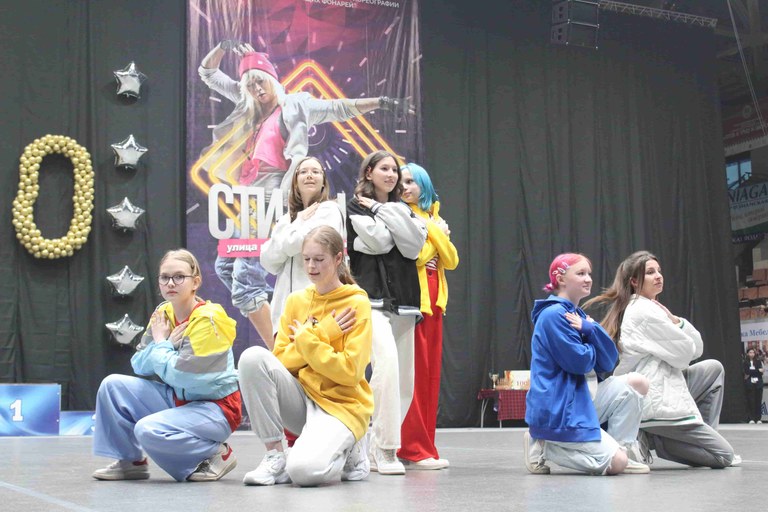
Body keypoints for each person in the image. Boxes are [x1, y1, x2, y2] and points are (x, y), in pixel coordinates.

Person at [198, 41, 411, 346]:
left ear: (272, 78)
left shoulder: (296, 105)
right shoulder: (249, 105)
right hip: (249, 192)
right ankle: (286, 324)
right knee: (226, 267)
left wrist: (382, 102)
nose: (257, 89)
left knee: (245, 281)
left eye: (260, 81)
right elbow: (208, 73)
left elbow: (339, 108)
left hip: (272, 191)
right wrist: (222, 47)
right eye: (250, 85)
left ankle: (279, 348)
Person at [237, 226, 373, 487]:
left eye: (319, 259)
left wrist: (306, 339)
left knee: (303, 473)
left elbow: (350, 372)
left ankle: (352, 444)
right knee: (252, 358)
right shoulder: (295, 301)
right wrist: (323, 333)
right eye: (306, 259)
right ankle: (276, 455)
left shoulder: (356, 303)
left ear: (338, 258)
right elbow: (280, 362)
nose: (311, 266)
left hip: (341, 405)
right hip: (300, 397)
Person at [92, 249, 241, 482]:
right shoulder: (163, 313)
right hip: (178, 400)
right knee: (112, 386)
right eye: (165, 277)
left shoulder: (209, 319)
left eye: (179, 277)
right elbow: (139, 364)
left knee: (147, 429)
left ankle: (214, 453)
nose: (170, 283)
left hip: (216, 408)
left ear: (195, 282)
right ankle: (130, 462)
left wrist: (161, 344)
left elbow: (182, 376)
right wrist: (167, 343)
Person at [586, 250, 736, 468]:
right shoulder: (642, 310)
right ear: (635, 281)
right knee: (724, 456)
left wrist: (676, 321)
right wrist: (676, 329)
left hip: (665, 382)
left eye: (659, 271)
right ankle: (658, 440)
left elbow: (697, 349)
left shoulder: (650, 308)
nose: (658, 276)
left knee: (713, 369)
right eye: (650, 272)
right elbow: (686, 353)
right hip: (653, 396)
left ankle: (683, 439)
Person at [346, 150, 427, 475]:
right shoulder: (354, 206)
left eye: (394, 169)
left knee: (404, 381)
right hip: (371, 299)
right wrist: (399, 231)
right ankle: (384, 448)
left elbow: (413, 247)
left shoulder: (401, 208)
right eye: (384, 168)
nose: (391, 174)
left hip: (405, 300)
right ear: (369, 172)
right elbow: (379, 242)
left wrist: (382, 212)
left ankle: (376, 443)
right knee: (387, 366)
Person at [524, 253, 633, 476]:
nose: (588, 279)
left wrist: (591, 330)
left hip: (580, 399)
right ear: (560, 279)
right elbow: (580, 362)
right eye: (581, 273)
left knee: (635, 386)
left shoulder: (578, 316)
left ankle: (622, 449)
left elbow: (608, 361)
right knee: (617, 463)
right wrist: (593, 342)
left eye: (589, 273)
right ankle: (546, 446)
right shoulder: (554, 315)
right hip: (561, 408)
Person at [396, 163, 458, 470]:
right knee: (414, 376)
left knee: (430, 377)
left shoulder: (432, 218)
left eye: (411, 181)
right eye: (401, 182)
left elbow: (452, 259)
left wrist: (432, 231)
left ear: (424, 184)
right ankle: (412, 448)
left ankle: (425, 446)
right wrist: (437, 232)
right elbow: (417, 257)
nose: (405, 187)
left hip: (435, 302)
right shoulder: (402, 215)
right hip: (414, 302)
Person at [260, 156, 345, 339]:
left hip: (317, 308)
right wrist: (297, 221)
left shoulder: (329, 210)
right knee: (284, 359)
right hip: (283, 312)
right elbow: (268, 261)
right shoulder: (287, 219)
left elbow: (296, 243)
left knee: (314, 355)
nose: (309, 175)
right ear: (295, 181)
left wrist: (289, 232)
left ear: (323, 181)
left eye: (315, 171)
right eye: (304, 172)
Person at [743, 348, 764, 424]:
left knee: (758, 401)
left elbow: (761, 372)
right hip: (750, 383)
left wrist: (754, 371)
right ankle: (751, 418)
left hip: (758, 383)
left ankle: (758, 418)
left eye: (753, 352)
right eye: (750, 352)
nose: (752, 354)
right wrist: (757, 371)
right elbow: (747, 372)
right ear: (747, 353)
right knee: (751, 401)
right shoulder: (745, 362)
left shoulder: (758, 362)